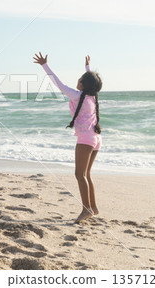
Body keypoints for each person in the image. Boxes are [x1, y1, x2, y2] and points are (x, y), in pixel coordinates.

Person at [33, 52, 103, 223]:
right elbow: (91, 82)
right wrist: (87, 67)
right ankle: (93, 208)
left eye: (80, 78)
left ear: (84, 84)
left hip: (86, 140)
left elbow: (58, 83)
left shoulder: (78, 95)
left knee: (80, 175)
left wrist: (44, 65)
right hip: (96, 139)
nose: (77, 80)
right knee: (86, 174)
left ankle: (86, 209)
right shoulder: (92, 96)